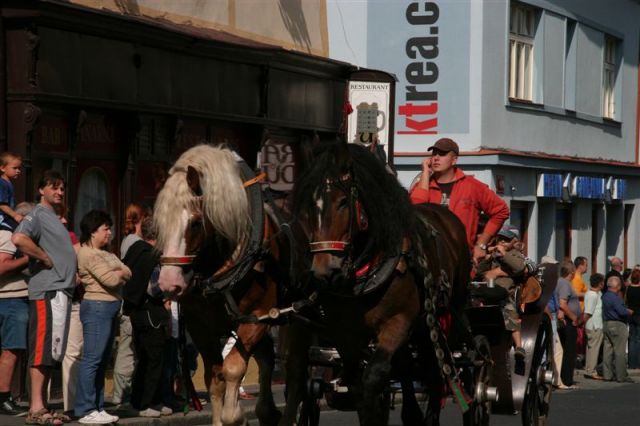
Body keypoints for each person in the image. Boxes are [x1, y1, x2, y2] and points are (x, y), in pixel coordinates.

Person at [12, 170, 77, 425]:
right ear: (41, 190)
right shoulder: (37, 214)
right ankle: (36, 407)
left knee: (52, 351)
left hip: (60, 290)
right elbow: (19, 238)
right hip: (47, 291)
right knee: (42, 350)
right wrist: (43, 257)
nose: (59, 192)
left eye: (62, 188)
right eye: (54, 187)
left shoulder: (53, 217)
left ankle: (44, 406)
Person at [409, 138, 509, 264]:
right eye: (434, 154)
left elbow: (501, 211)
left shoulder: (472, 186)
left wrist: (482, 244)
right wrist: (425, 173)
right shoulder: (423, 186)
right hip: (427, 259)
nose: (436, 158)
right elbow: (415, 209)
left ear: (454, 160)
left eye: (442, 154)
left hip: (460, 259)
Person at [74, 210, 131, 424]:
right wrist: (117, 271)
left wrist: (118, 270)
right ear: (92, 231)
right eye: (105, 228)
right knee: (92, 359)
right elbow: (112, 280)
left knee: (102, 360)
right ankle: (85, 408)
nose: (109, 232)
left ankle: (97, 406)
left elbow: (128, 271)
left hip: (110, 308)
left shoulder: (106, 253)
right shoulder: (88, 253)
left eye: (109, 228)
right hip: (97, 306)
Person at [122, 217, 172, 417]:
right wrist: (168, 291)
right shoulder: (151, 255)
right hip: (151, 312)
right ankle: (144, 403)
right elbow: (152, 288)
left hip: (137, 311)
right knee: (153, 359)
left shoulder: (135, 250)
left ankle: (148, 400)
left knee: (144, 358)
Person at [476, 225, 535, 358]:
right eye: (500, 239)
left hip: (505, 294)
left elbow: (519, 267)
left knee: (509, 312)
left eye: (506, 240)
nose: (501, 242)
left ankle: (519, 346)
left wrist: (504, 254)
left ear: (515, 242)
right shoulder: (494, 255)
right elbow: (480, 272)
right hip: (488, 292)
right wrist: (488, 258)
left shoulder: (515, 254)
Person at [112, 203, 150, 408]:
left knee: (128, 350)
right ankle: (120, 395)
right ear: (140, 219)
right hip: (132, 303)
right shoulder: (135, 242)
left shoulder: (129, 240)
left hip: (127, 302)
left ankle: (122, 394)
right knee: (127, 352)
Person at [0, 202, 33, 415]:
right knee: (11, 350)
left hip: (13, 298)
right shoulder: (9, 235)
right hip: (11, 298)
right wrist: (31, 257)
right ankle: (3, 398)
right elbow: (2, 266)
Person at [56, 204, 82, 419]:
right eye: (59, 217)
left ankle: (70, 404)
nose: (64, 221)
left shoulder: (71, 236)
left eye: (65, 216)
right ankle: (39, 404)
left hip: (73, 299)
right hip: (49, 297)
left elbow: (79, 265)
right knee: (46, 353)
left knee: (72, 352)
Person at [555, 260, 582, 389]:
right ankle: (566, 380)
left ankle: (564, 379)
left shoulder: (560, 282)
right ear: (572, 272)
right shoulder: (565, 283)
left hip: (565, 319)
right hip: (568, 322)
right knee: (569, 351)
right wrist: (574, 317)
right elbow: (562, 303)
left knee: (565, 350)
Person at [602, 276, 634, 383]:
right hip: (617, 324)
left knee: (607, 351)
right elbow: (622, 311)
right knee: (620, 351)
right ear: (618, 286)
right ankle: (621, 376)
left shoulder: (605, 296)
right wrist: (628, 311)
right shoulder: (615, 298)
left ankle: (607, 375)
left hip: (607, 323)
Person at [583, 273, 605, 380]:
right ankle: (591, 370)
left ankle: (589, 369)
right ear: (600, 283)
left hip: (595, 324)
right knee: (594, 349)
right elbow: (588, 312)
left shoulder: (596, 293)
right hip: (594, 325)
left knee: (591, 348)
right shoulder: (592, 295)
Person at [0, 152, 24, 231]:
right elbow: (2, 205)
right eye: (14, 168)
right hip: (2, 218)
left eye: (19, 168)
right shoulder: (2, 183)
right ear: (3, 168)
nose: (18, 171)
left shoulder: (8, 183)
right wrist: (15, 215)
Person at [627, 269, 640, 369]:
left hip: (631, 316)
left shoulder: (629, 288)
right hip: (639, 315)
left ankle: (632, 363)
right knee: (638, 340)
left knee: (632, 339)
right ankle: (638, 363)